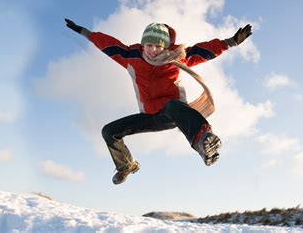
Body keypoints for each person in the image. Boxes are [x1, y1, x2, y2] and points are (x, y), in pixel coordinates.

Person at [65, 19, 252, 184]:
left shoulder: (178, 56)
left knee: (172, 105)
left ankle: (204, 141)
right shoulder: (130, 57)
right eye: (149, 45)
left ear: (165, 46)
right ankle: (126, 165)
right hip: (148, 116)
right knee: (109, 131)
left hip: (171, 114)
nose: (153, 51)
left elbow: (204, 51)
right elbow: (108, 45)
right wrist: (85, 32)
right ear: (142, 44)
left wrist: (231, 42)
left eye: (158, 46)